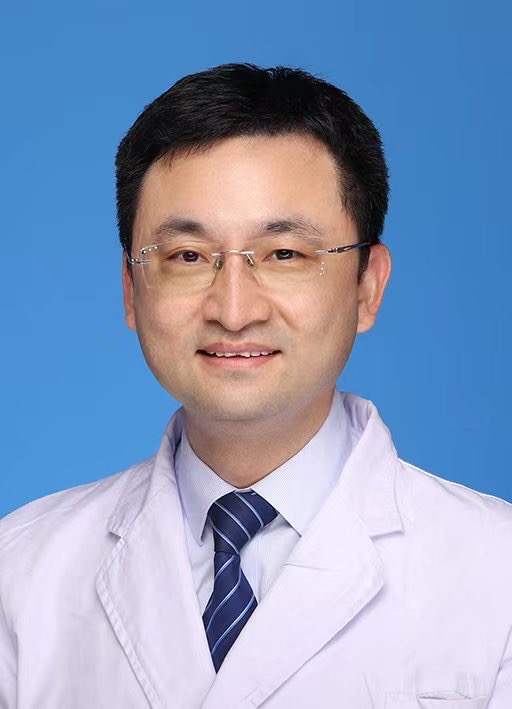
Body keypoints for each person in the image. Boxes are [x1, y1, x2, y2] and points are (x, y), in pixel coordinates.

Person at [0, 63, 510, 709]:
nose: (234, 310)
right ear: (131, 290)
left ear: (367, 286)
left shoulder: (496, 573)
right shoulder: (21, 571)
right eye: (188, 256)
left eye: (284, 254)